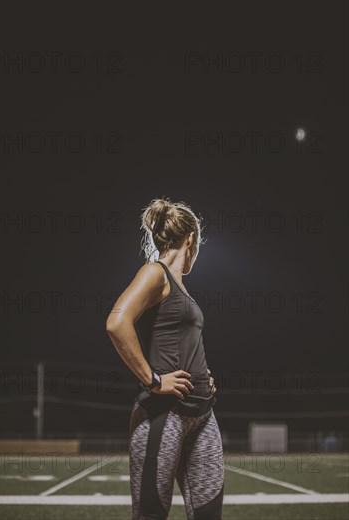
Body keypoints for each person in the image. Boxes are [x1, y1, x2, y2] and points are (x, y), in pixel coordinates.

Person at [106, 197, 225, 519]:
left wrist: (203, 373)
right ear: (191, 239)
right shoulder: (154, 273)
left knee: (208, 513)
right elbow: (117, 322)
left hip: (202, 414)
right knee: (151, 514)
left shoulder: (182, 289)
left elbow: (179, 340)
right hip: (164, 414)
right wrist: (153, 380)